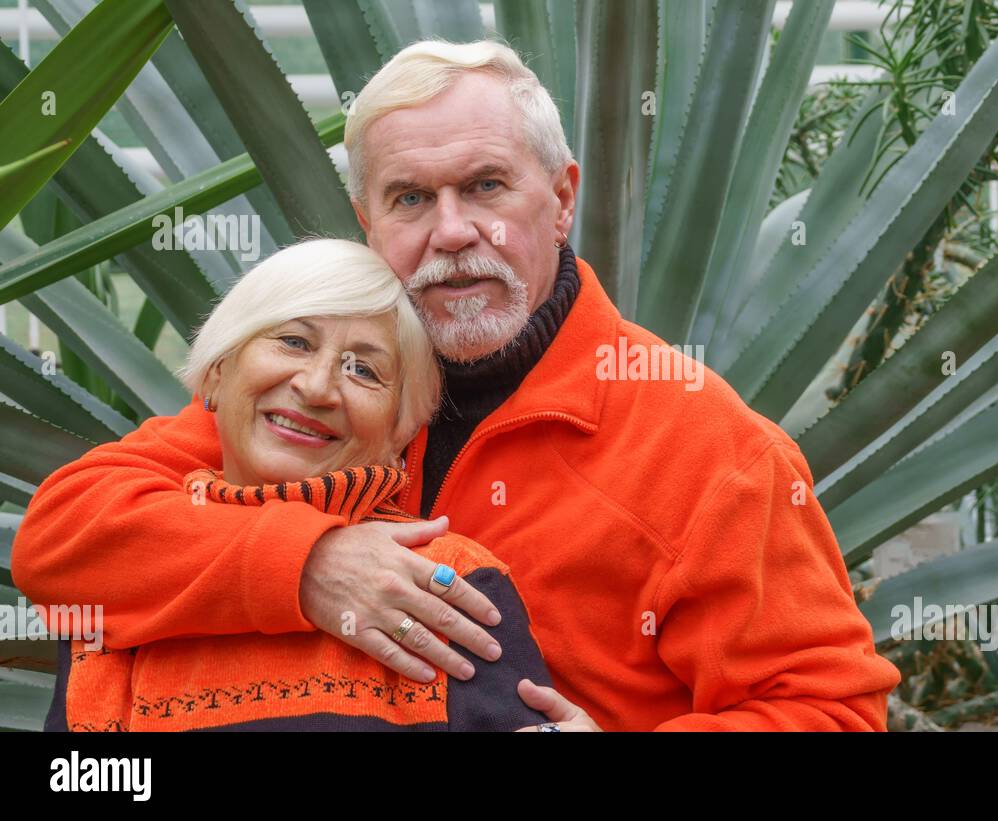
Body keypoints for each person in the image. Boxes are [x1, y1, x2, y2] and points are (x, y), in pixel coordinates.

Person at [13, 39, 900, 731]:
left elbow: (834, 709)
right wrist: (307, 563)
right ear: (367, 223)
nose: (450, 232)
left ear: (559, 199)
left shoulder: (709, 448)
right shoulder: (322, 398)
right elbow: (65, 543)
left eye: (485, 186)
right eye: (409, 198)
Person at [41, 239, 559, 732]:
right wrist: (299, 563)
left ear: (400, 430)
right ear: (217, 374)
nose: (315, 387)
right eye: (293, 341)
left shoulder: (448, 584)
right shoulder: (116, 572)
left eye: (363, 370)